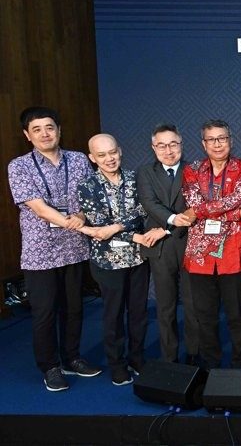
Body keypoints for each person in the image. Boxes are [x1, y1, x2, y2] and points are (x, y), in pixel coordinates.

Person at [8, 106, 101, 391]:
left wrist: (82, 216)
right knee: (45, 312)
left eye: (50, 127)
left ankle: (72, 358)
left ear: (59, 130)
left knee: (74, 308)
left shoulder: (79, 160)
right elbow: (39, 208)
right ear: (27, 135)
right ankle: (49, 366)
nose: (45, 134)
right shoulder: (19, 166)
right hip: (41, 252)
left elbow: (89, 198)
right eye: (36, 129)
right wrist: (80, 225)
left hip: (74, 248)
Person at [74, 134, 161, 386]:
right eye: (101, 155)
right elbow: (99, 226)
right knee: (113, 315)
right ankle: (117, 364)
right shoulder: (87, 186)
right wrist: (130, 232)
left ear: (120, 151)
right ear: (92, 158)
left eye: (112, 152)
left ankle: (137, 358)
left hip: (137, 258)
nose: (109, 158)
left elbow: (143, 210)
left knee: (139, 313)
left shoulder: (136, 178)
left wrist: (117, 226)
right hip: (107, 261)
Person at [181, 119, 241, 369]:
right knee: (205, 317)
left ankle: (239, 367)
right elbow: (194, 203)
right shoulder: (192, 170)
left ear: (231, 141)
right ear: (203, 143)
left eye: (222, 138)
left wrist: (202, 212)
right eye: (211, 139)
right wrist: (239, 214)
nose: (217, 144)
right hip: (200, 255)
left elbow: (238, 198)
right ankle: (210, 367)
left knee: (237, 316)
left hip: (233, 253)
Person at [137, 124, 199, 365]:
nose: (168, 150)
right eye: (162, 145)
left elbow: (196, 207)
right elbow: (149, 203)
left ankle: (194, 356)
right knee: (165, 307)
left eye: (173, 144)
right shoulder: (145, 172)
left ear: (181, 144)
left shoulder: (194, 170)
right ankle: (169, 360)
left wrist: (166, 229)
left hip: (190, 243)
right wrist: (172, 220)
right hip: (160, 249)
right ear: (153, 148)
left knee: (193, 305)